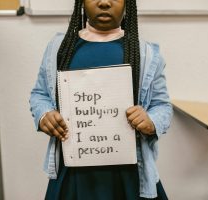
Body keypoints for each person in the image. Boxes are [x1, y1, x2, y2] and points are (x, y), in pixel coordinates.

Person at [29, 0, 173, 199]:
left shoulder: (147, 54)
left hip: (129, 176)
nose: (104, 2)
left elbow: (162, 106)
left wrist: (151, 121)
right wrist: (44, 114)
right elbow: (40, 94)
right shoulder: (59, 48)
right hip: (73, 172)